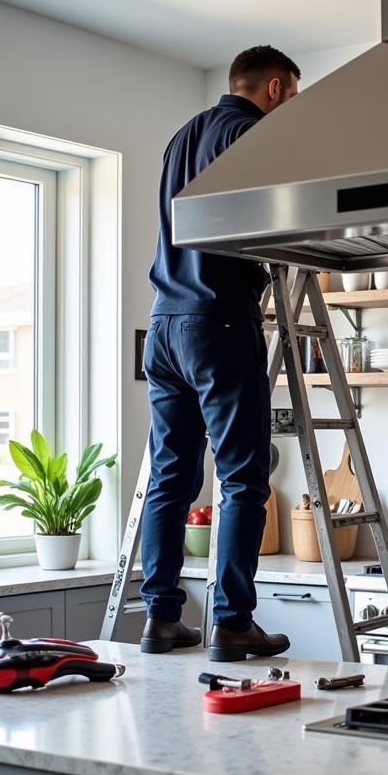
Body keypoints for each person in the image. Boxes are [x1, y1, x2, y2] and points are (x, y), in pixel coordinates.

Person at [139, 46, 300, 659]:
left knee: (171, 478)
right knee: (241, 479)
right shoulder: (248, 131)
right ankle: (231, 623)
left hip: (164, 323)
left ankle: (160, 618)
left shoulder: (183, 136)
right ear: (277, 89)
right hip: (219, 322)